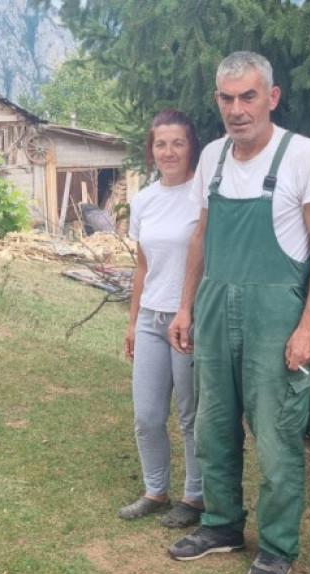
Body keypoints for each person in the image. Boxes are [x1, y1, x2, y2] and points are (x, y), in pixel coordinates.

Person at [166, 51, 310, 574]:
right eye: (227, 98)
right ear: (217, 100)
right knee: (213, 425)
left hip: (276, 317)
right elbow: (200, 237)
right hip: (215, 308)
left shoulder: (304, 156)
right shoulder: (214, 157)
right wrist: (186, 305)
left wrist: (309, 326)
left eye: (248, 96)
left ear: (272, 96)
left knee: (276, 437)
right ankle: (220, 525)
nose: (237, 109)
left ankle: (277, 546)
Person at [117, 108, 205, 529]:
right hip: (151, 318)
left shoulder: (202, 196)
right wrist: (134, 322)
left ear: (191, 147)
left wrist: (189, 311)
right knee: (147, 414)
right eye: (160, 144)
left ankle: (194, 497)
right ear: (151, 151)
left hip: (189, 320)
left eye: (178, 143)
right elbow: (141, 265)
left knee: (190, 415)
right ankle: (155, 490)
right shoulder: (145, 200)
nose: (169, 152)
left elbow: (206, 258)